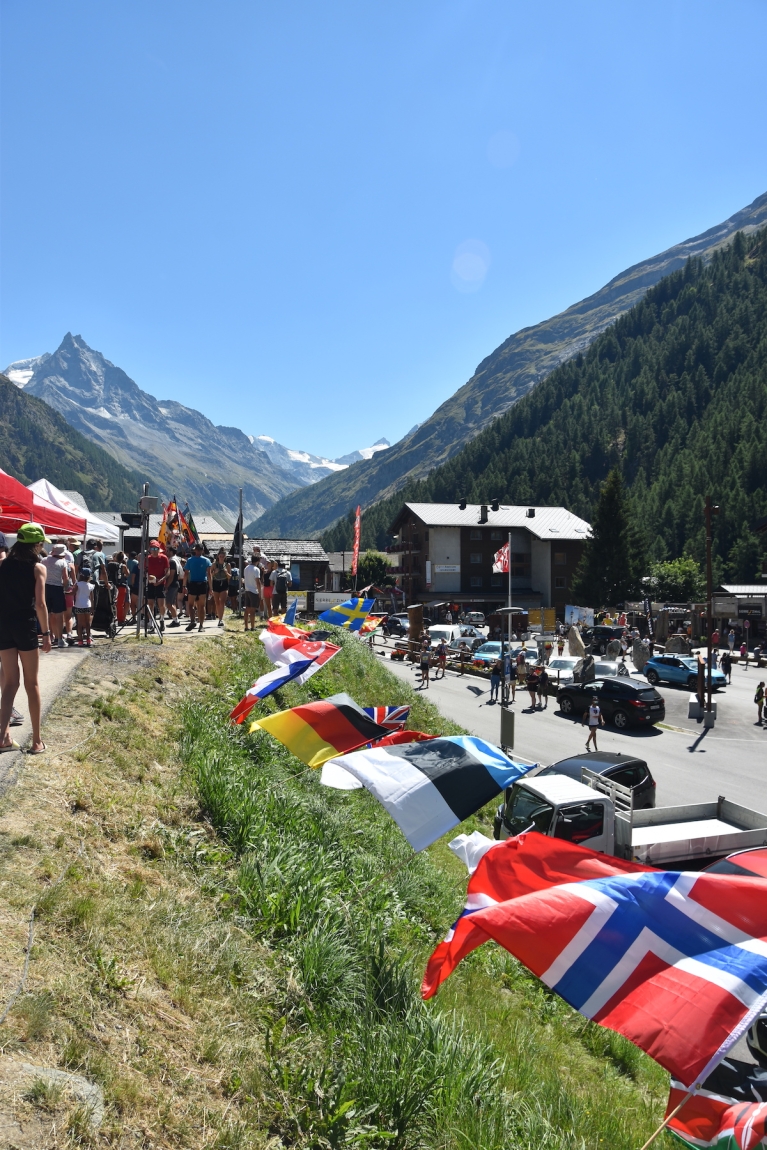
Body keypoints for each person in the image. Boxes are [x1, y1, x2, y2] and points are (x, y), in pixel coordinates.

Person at [0, 524, 52, 754]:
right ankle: (37, 741)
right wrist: (47, 633)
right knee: (32, 684)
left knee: (10, 683)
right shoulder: (38, 568)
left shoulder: (2, 564)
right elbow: (40, 604)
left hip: (3, 626)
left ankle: (3, 737)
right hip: (25, 626)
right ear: (37, 544)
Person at [42, 542, 72, 648]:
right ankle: (60, 639)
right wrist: (65, 587)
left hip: (45, 587)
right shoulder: (62, 562)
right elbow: (65, 578)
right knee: (59, 615)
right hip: (57, 588)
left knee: (48, 614)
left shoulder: (44, 560)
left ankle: (50, 636)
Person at [183, 544, 211, 632]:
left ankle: (192, 620)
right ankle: (201, 626)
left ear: (195, 550)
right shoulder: (207, 560)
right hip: (203, 583)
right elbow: (209, 575)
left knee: (190, 605)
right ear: (202, 550)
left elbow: (186, 574)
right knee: (201, 605)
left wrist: (184, 586)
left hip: (193, 583)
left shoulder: (190, 560)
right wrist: (211, 588)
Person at [145, 540, 169, 632]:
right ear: (150, 549)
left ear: (159, 549)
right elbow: (144, 572)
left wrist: (161, 580)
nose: (154, 550)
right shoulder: (147, 559)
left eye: (156, 548)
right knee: (150, 603)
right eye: (152, 548)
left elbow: (167, 572)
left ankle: (162, 620)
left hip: (161, 583)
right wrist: (148, 577)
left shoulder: (164, 558)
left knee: (161, 604)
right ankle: (151, 623)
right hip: (150, 583)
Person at [74, 566, 95, 646]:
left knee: (79, 624)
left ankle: (80, 640)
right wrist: (92, 608)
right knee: (87, 624)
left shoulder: (77, 584)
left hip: (79, 605)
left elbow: (73, 593)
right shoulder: (90, 585)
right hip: (87, 605)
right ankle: (88, 639)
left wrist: (66, 593)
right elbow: (92, 598)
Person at [210, 548, 230, 629]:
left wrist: (226, 572)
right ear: (218, 556)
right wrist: (215, 572)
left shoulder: (227, 565)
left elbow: (230, 577)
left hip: (224, 582)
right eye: (220, 556)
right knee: (217, 602)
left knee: (222, 601)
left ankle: (220, 619)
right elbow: (209, 574)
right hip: (216, 583)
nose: (221, 557)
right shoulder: (214, 564)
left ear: (225, 557)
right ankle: (219, 616)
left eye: (223, 556)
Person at [107, 551, 130, 624]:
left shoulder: (110, 564)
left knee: (112, 602)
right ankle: (121, 619)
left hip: (113, 585)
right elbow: (127, 574)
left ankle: (113, 617)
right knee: (120, 604)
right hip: (121, 586)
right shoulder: (123, 566)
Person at [243, 553, 262, 632]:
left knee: (247, 609)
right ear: (257, 561)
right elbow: (258, 582)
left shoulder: (246, 568)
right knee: (253, 611)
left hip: (247, 590)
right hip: (253, 591)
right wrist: (260, 593)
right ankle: (253, 627)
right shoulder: (256, 569)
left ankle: (246, 626)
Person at [165, 547, 183, 627]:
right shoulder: (176, 560)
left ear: (171, 552)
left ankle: (176, 621)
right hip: (175, 583)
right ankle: (175, 620)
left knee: (169, 604)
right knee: (171, 603)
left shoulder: (172, 561)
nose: (166, 552)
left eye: (168, 550)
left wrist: (167, 586)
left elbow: (171, 575)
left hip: (172, 584)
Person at [126, 552, 140, 622]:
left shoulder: (127, 562)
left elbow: (133, 576)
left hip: (131, 584)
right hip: (139, 585)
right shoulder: (136, 563)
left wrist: (132, 583)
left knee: (133, 602)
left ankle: (134, 618)